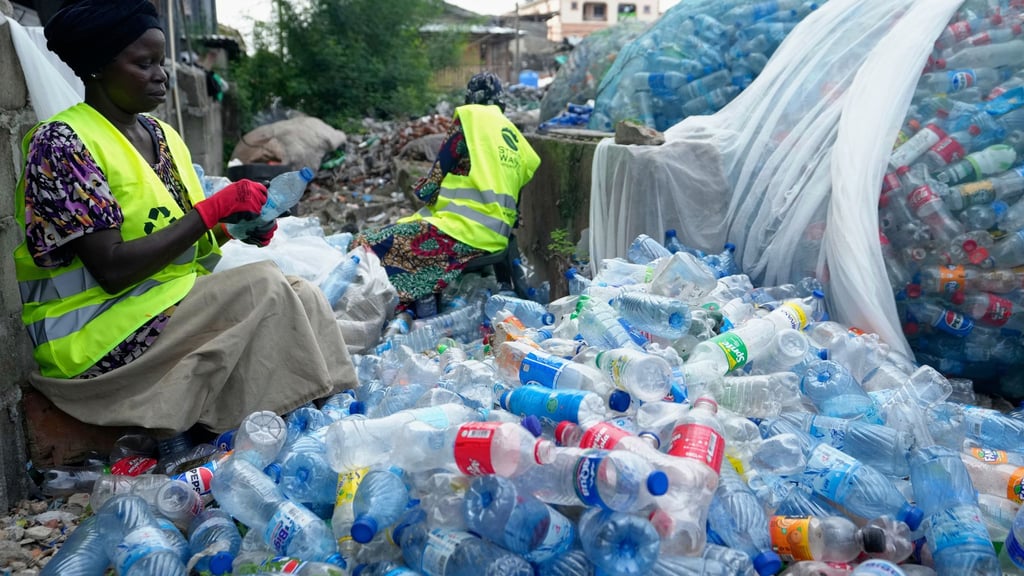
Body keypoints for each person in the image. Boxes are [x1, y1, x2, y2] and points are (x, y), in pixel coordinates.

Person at [12, 0, 357, 436]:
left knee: (302, 293)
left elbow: (184, 237)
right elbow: (113, 269)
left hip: (159, 309)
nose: (162, 75)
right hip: (92, 338)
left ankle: (332, 418)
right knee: (262, 286)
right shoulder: (61, 143)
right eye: (144, 63)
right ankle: (276, 432)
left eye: (161, 61)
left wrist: (235, 227)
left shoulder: (162, 136)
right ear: (98, 67)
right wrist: (212, 210)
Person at [353, 72, 541, 314]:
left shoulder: (472, 120)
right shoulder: (517, 140)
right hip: (498, 236)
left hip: (463, 232)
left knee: (366, 243)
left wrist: (422, 191)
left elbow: (436, 176)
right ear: (501, 100)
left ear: (471, 97)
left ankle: (391, 307)